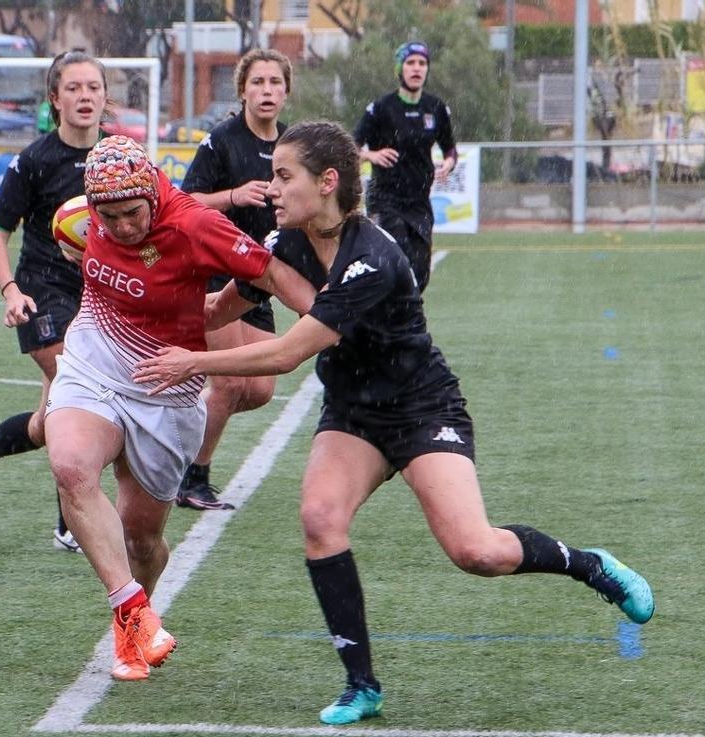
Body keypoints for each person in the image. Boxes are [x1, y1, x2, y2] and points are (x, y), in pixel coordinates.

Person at [133, 121, 654, 721]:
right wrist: (132, 308)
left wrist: (190, 362)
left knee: (476, 551)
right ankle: (362, 685)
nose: (270, 188)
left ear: (327, 183)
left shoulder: (372, 257)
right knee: (320, 517)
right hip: (352, 413)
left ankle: (590, 564)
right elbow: (216, 310)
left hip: (420, 408)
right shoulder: (285, 244)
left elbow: (288, 352)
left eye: (283, 176)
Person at [45, 135, 316, 681]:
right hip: (93, 362)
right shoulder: (82, 215)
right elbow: (77, 233)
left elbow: (269, 276)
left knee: (140, 537)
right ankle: (131, 614)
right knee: (71, 469)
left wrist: (338, 323)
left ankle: (133, 624)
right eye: (109, 216)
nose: (120, 227)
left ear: (151, 193)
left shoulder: (194, 225)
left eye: (131, 214)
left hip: (167, 392)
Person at [0, 51, 107, 554]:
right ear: (55, 99)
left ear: (104, 97)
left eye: (93, 87)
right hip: (40, 294)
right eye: (73, 88)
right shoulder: (34, 160)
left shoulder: (117, 156)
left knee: (46, 423)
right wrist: (11, 292)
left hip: (97, 295)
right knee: (84, 390)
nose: (84, 96)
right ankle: (72, 521)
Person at [176, 48, 291, 511]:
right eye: (258, 82)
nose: (266, 90)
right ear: (242, 90)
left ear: (286, 92)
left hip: (259, 275)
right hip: (212, 269)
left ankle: (181, 422)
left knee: (259, 389)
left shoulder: (292, 145)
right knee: (227, 383)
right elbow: (184, 203)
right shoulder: (222, 140)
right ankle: (191, 479)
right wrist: (233, 195)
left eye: (275, 83)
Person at [352, 41, 456, 293]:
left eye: (422, 63)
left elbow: (450, 149)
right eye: (410, 63)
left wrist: (448, 164)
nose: (416, 68)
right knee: (393, 259)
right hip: (385, 199)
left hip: (419, 202)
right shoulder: (381, 108)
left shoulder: (436, 108)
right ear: (400, 69)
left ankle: (406, 322)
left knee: (419, 271)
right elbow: (351, 146)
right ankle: (381, 322)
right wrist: (371, 155)